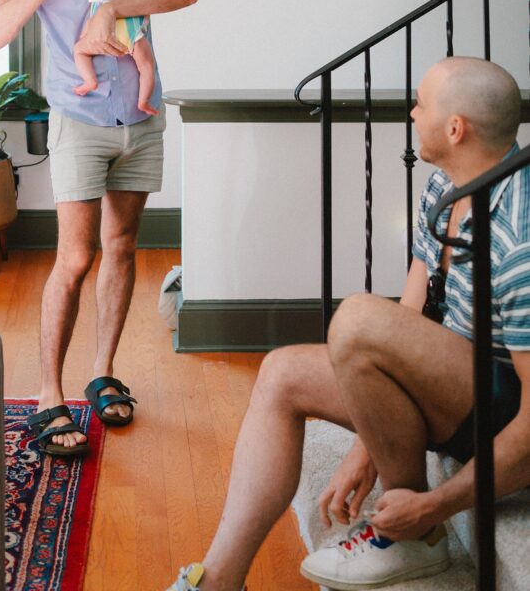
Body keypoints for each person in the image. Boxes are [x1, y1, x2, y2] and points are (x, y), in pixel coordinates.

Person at [165, 56, 530, 590]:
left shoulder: (520, 237)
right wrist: (370, 444)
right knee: (281, 373)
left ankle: (409, 538)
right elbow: (407, 325)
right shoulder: (444, 189)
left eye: (421, 104)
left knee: (358, 316)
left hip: (504, 414)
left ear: (456, 129)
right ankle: (217, 580)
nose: (410, 112)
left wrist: (431, 506)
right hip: (455, 386)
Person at [0, 0, 197, 455]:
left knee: (121, 247)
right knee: (74, 260)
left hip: (140, 119)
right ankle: (50, 395)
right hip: (78, 121)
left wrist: (112, 11)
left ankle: (102, 373)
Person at [74, 0, 180, 116]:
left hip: (100, 28)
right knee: (146, 67)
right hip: (131, 32)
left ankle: (89, 80)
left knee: (79, 50)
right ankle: (143, 101)